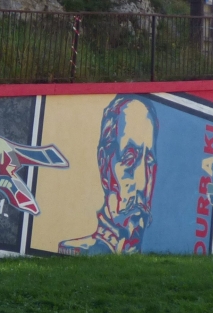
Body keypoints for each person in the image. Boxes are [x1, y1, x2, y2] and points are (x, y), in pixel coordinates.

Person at [60, 96, 158, 254]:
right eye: (129, 159)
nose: (143, 183)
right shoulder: (72, 252)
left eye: (149, 163)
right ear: (104, 164)